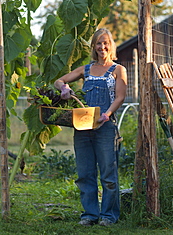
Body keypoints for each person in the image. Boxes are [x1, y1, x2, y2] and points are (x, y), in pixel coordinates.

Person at [54, 28, 127, 227]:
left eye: (105, 43)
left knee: (108, 174)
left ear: (110, 46)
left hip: (105, 127)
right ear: (94, 47)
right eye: (98, 43)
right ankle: (89, 215)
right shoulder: (85, 70)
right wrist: (64, 88)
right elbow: (59, 80)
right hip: (83, 128)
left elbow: (120, 96)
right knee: (85, 173)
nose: (102, 47)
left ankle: (108, 216)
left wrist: (107, 114)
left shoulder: (118, 70)